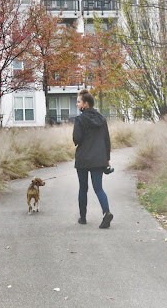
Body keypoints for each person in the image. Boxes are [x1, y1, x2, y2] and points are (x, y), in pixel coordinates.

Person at [72, 89, 113, 228]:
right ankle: (106, 212)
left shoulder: (80, 119)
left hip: (83, 159)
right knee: (98, 188)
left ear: (85, 104)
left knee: (83, 188)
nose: (76, 104)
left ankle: (83, 218)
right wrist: (107, 159)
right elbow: (107, 140)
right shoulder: (102, 119)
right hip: (99, 159)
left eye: (78, 102)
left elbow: (76, 139)